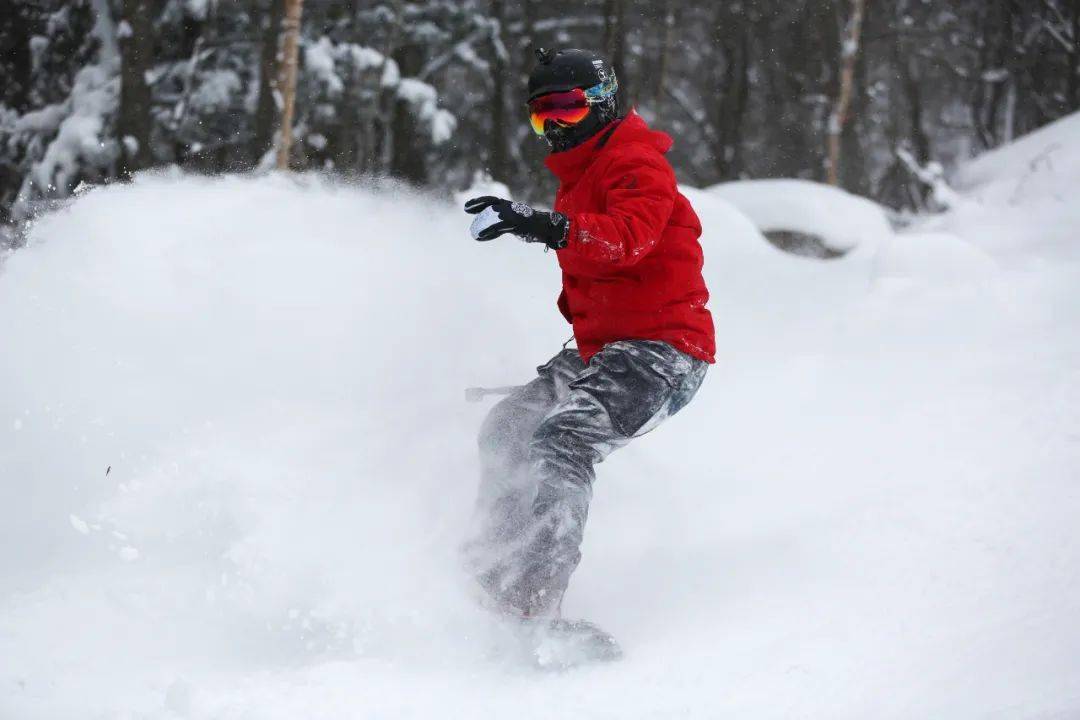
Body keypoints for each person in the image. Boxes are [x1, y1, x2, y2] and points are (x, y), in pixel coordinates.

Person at [463, 48, 715, 630]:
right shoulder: (581, 175)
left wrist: (538, 225)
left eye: (568, 111)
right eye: (541, 115)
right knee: (507, 427)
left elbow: (626, 238)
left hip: (663, 348)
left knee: (563, 442)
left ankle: (533, 601)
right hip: (606, 346)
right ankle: (490, 570)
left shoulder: (636, 164)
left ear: (603, 106)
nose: (553, 126)